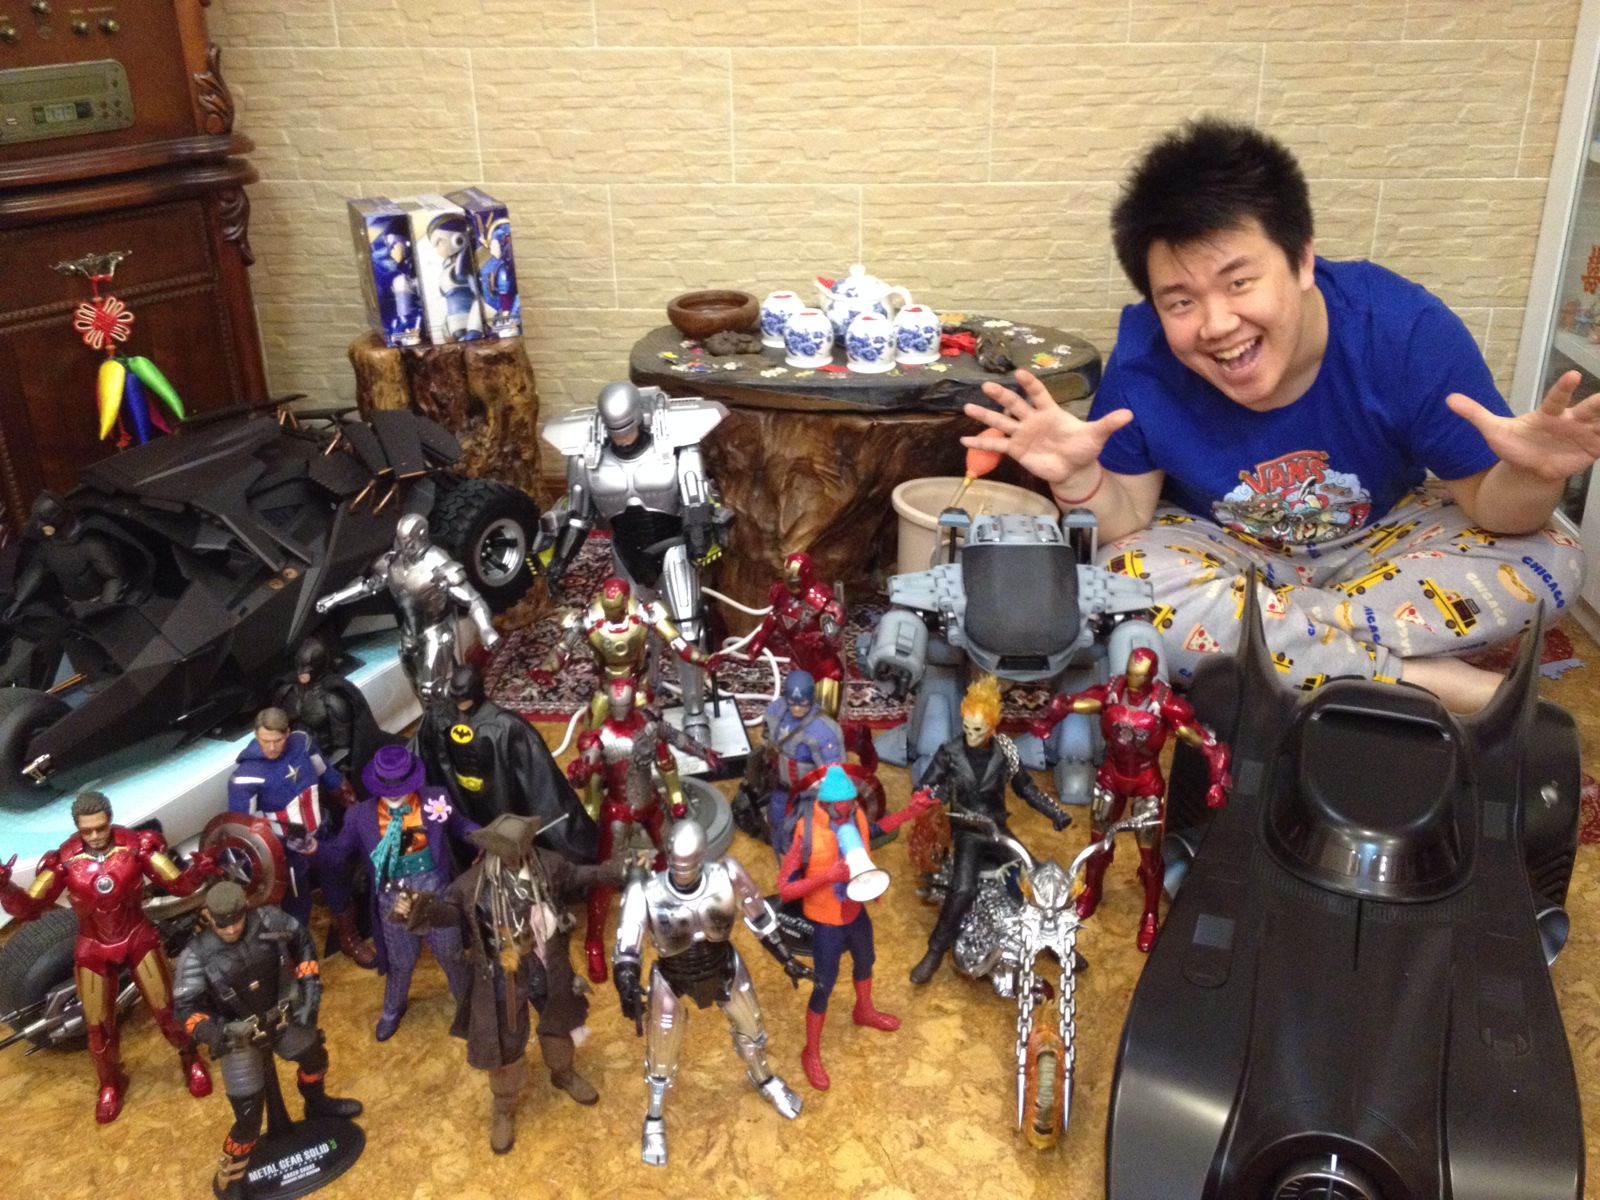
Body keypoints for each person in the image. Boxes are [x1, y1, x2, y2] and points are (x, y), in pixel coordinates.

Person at [963, 118, 1594, 714]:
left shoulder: (1405, 331)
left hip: (1383, 543)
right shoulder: (1145, 360)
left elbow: (1493, 509)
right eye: (1180, 302)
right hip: (1217, 546)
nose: (1216, 325)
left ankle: (1281, 650)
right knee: (1118, 576)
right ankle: (1429, 683)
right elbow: (1124, 518)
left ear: (1302, 260)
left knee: (1555, 556)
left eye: (1238, 282)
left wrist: (1536, 474)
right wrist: (1077, 479)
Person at [393, 814, 623, 1154]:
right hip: (502, 972)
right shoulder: (473, 884)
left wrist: (614, 870)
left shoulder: (547, 865)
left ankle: (563, 1072)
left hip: (544, 962)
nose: (516, 854)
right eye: (508, 849)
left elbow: (578, 875)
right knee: (505, 1043)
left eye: (520, 847)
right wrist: (416, 908)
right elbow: (450, 913)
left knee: (558, 1024)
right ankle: (503, 1106)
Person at [0, 791, 218, 1123]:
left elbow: (177, 885)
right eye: (87, 830)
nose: (95, 836)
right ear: (77, 828)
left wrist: (198, 872)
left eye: (100, 828)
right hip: (93, 944)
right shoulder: (63, 860)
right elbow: (29, 907)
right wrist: (6, 888)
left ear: (110, 820)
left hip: (137, 935)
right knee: (97, 1026)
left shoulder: (136, 846)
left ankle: (190, 1058)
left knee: (167, 1011)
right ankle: (110, 1082)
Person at [613, 819, 810, 1166]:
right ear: (667, 858)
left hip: (723, 965)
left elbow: (760, 917)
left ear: (703, 857)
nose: (683, 873)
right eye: (677, 865)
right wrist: (627, 982)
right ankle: (654, 1116)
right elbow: (627, 947)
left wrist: (786, 958)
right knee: (661, 1053)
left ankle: (764, 1078)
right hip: (673, 976)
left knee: (753, 1031)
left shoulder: (727, 875)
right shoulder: (645, 891)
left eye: (689, 865)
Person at [1031, 647, 1230, 952]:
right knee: (1097, 842)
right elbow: (1070, 702)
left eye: (1140, 677)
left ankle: (1150, 914)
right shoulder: (1111, 692)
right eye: (1131, 674)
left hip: (1145, 781)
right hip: (1112, 774)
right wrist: (1048, 719)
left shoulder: (1166, 705)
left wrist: (1217, 781)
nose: (1133, 682)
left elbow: (1208, 744)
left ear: (1151, 677)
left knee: (1149, 855)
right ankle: (1092, 889)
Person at [174, 882, 361, 1199]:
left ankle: (316, 1103)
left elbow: (303, 940)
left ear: (245, 910)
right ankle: (231, 1175)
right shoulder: (195, 955)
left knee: (315, 1057)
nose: (232, 929)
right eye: (223, 924)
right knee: (248, 1116)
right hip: (238, 1036)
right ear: (210, 917)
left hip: (283, 1017)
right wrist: (213, 1033)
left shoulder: (270, 920)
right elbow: (185, 1009)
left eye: (237, 920)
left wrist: (310, 991)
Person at [777, 765, 937, 1091]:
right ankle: (811, 1052)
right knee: (824, 984)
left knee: (866, 961)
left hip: (855, 910)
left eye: (852, 802)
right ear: (828, 802)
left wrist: (909, 812)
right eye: (844, 804)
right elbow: (785, 889)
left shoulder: (854, 816)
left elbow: (876, 830)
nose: (849, 809)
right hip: (826, 921)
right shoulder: (806, 833)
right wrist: (827, 877)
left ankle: (863, 1010)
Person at [908, 675, 1073, 984]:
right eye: (967, 728)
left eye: (979, 730)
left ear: (993, 726)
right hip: (967, 831)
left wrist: (1055, 812)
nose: (971, 736)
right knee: (963, 889)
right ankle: (934, 950)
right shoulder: (950, 752)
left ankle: (1058, 943)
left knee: (1040, 878)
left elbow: (1026, 788)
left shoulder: (1005, 750)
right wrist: (932, 797)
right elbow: (924, 787)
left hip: (997, 829)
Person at [315, 745, 475, 1041]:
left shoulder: (435, 798)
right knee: (400, 962)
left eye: (400, 788)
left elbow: (460, 825)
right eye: (387, 790)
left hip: (436, 897)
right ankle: (392, 1009)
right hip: (394, 900)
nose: (394, 795)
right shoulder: (360, 816)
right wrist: (312, 848)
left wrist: (486, 837)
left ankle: (468, 1007)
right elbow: (337, 853)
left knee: (452, 956)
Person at [228, 707, 374, 967]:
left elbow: (328, 775)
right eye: (265, 741)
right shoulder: (245, 776)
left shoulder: (303, 744)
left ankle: (349, 938)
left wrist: (353, 805)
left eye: (277, 740)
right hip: (287, 851)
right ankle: (301, 958)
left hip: (321, 834)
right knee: (297, 906)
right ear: (256, 736)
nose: (271, 747)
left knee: (339, 887)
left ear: (287, 733)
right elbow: (243, 829)